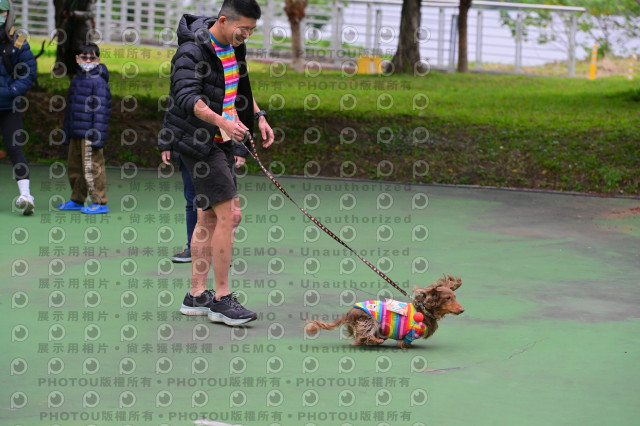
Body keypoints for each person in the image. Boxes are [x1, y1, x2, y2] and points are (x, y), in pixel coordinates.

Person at [160, 0, 274, 326]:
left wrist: (258, 116)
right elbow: (188, 98)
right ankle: (222, 299)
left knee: (207, 218)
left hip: (220, 139)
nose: (247, 35)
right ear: (223, 21)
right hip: (198, 141)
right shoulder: (191, 52)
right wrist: (223, 122)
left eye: (252, 30)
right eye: (243, 29)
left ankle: (196, 294)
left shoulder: (235, 47)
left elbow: (240, 88)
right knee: (230, 215)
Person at [58, 42, 111, 214]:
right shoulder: (76, 80)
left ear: (98, 60)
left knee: (92, 167)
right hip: (76, 131)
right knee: (75, 166)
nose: (88, 61)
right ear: (77, 59)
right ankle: (77, 199)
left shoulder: (99, 82)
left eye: (92, 58)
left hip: (90, 133)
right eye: (84, 57)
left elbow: (101, 111)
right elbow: (70, 109)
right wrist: (67, 131)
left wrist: (97, 136)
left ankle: (99, 201)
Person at [0, 0, 37, 215]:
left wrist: (12, 91)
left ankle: (26, 196)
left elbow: (28, 72)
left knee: (15, 148)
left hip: (9, 106)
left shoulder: (19, 41)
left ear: (9, 13)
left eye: (2, 11)